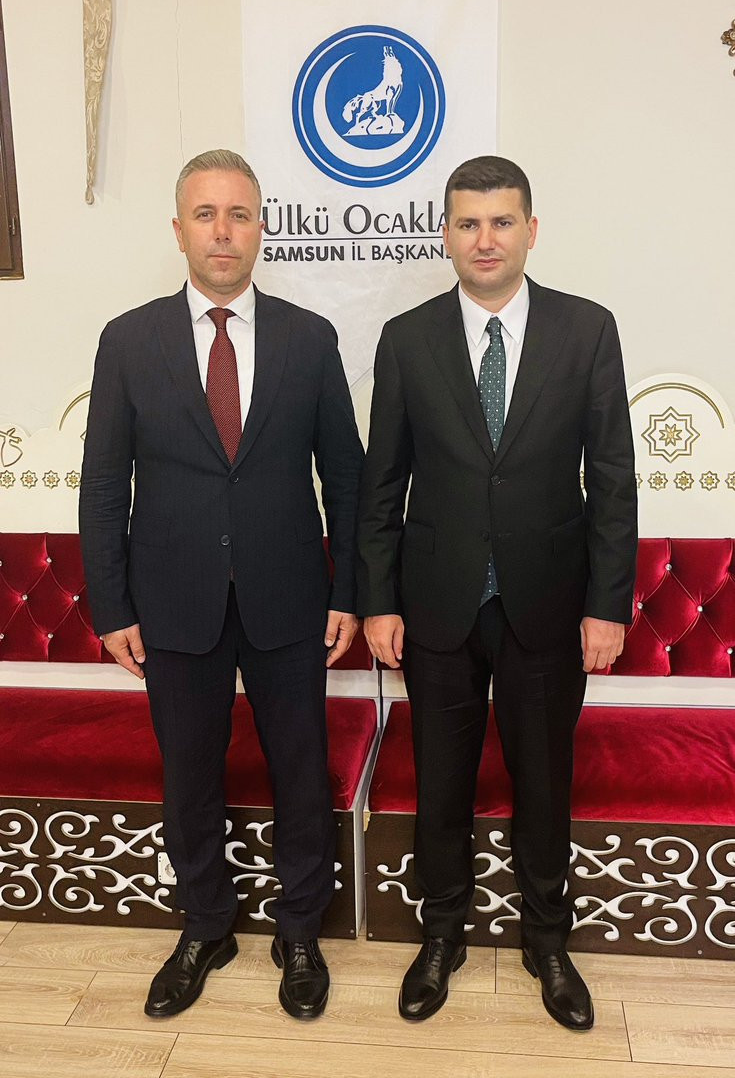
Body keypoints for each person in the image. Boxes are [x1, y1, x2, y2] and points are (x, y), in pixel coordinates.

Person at [79, 149, 364, 1021]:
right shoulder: (128, 340)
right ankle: (206, 926)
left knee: (300, 773)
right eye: (205, 214)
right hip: (171, 603)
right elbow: (104, 483)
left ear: (261, 228)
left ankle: (299, 931)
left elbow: (345, 479)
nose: (222, 231)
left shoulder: (309, 338)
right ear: (178, 230)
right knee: (190, 776)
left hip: (291, 599)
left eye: (238, 214)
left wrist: (348, 591)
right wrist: (111, 606)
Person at [357, 155, 637, 1030]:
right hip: (436, 607)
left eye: (501, 221)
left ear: (530, 230)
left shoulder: (586, 330)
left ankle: (546, 941)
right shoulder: (406, 339)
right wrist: (377, 599)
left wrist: (606, 604)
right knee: (440, 785)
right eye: (468, 223)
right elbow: (381, 483)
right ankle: (440, 935)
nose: (485, 239)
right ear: (445, 234)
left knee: (543, 785)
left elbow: (613, 479)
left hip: (548, 607)